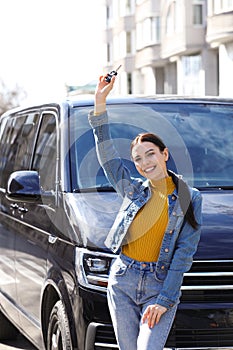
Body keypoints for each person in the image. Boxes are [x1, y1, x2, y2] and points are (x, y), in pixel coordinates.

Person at [88, 74, 202, 350]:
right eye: (137, 158)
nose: (144, 162)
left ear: (164, 154)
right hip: (123, 279)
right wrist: (100, 103)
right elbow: (107, 155)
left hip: (159, 285)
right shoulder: (132, 190)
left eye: (150, 153)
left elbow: (183, 254)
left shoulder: (190, 197)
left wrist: (165, 300)